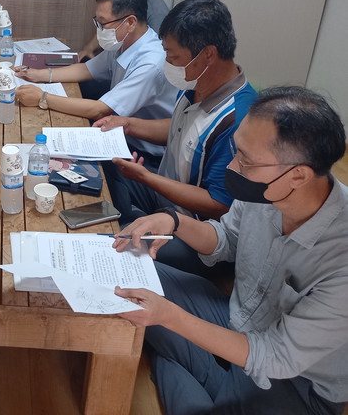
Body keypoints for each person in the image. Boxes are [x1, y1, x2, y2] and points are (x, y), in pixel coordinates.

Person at [113, 86, 348, 415]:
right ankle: (190, 366)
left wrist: (170, 316)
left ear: (298, 175)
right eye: (237, 151)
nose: (233, 167)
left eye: (246, 160)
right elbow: (226, 238)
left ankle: (181, 363)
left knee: (169, 357)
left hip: (294, 382)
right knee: (121, 273)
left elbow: (275, 356)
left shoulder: (340, 259)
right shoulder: (268, 189)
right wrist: (174, 221)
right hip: (235, 318)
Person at [93, 0, 256, 276]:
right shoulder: (196, 81)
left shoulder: (238, 120)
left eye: (173, 56)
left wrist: (147, 178)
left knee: (111, 248)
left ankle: (128, 227)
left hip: (196, 233)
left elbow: (218, 204)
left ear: (207, 54)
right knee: (101, 164)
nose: (167, 62)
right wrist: (129, 125)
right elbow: (181, 128)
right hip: (165, 196)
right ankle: (126, 219)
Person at [15, 0, 177, 168]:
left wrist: (42, 98)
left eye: (103, 23)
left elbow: (100, 109)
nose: (99, 29)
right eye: (97, 21)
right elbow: (86, 69)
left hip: (141, 153)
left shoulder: (150, 63)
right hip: (118, 132)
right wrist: (39, 74)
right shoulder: (124, 41)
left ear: (130, 22)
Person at [79, 0, 170, 99]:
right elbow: (108, 23)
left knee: (87, 89)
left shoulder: (157, 13)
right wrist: (89, 48)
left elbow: (156, 61)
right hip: (115, 64)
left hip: (136, 78)